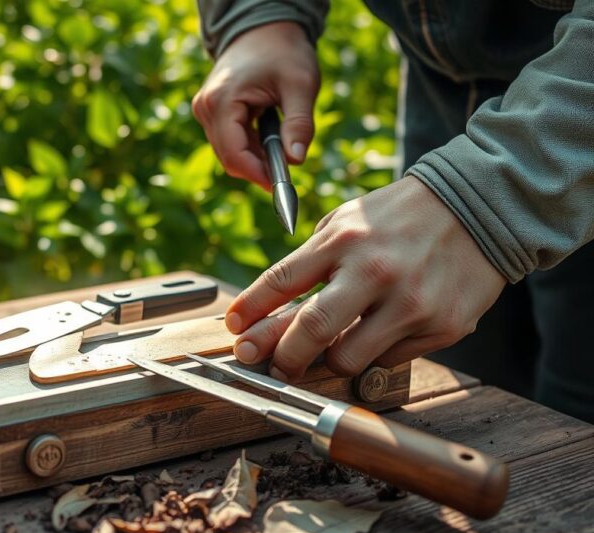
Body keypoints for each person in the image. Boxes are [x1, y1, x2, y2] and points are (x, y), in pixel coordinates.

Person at [192, 0, 594, 422]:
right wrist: (261, 17)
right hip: (438, 88)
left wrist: (486, 198)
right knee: (462, 407)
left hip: (576, 100)